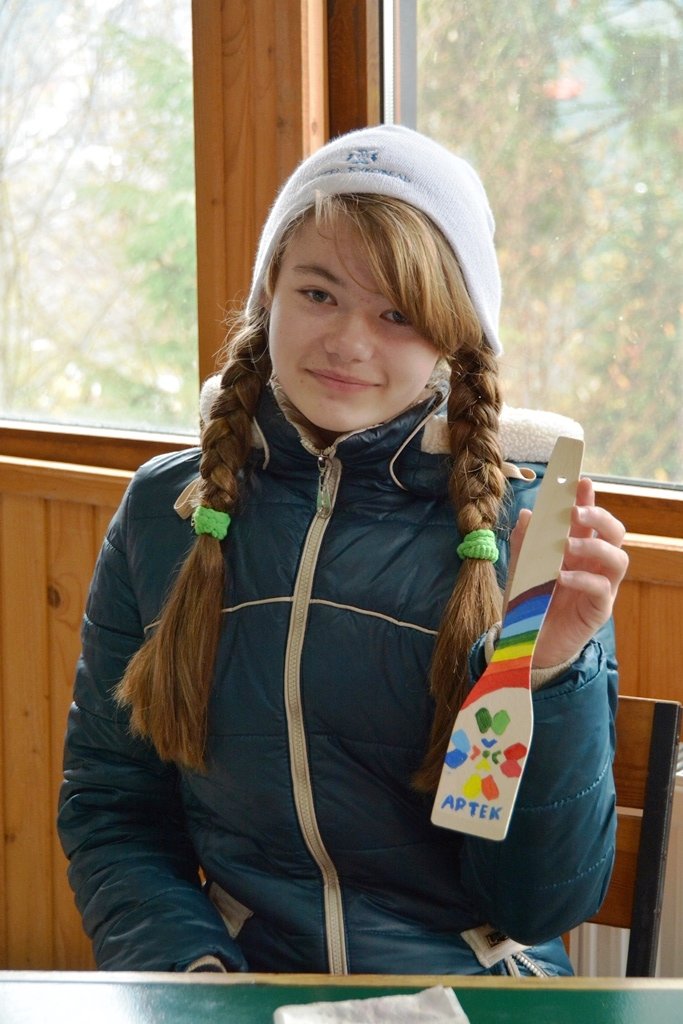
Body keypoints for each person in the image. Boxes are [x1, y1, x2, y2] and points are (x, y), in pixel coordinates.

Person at [57, 124, 628, 977]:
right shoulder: (164, 513)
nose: (349, 343)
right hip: (243, 980)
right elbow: (114, 809)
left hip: (463, 988)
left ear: (452, 336)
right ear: (269, 296)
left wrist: (540, 670)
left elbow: (532, 904)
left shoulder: (529, 534)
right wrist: (194, 974)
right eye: (318, 293)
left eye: (397, 314)